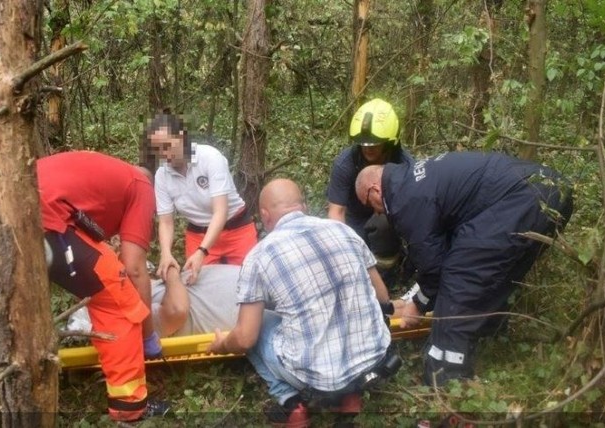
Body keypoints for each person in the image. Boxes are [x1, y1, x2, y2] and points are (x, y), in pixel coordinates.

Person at [355, 151, 573, 386]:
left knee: (459, 279)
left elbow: (434, 267)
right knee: (496, 274)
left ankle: (446, 377)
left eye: (371, 205)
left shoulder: (405, 199)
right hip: (553, 190)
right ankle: (490, 333)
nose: (377, 212)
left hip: (519, 198)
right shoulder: (412, 178)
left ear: (375, 189)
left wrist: (417, 306)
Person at [208, 178, 394, 427]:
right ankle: (349, 397)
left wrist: (222, 344)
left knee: (256, 321)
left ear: (265, 215)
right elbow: (381, 296)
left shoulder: (260, 256)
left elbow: (244, 338)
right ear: (303, 206)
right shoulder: (344, 230)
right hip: (375, 358)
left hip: (318, 378)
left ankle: (290, 403)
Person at [36, 150, 170, 421]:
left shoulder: (104, 176)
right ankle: (129, 408)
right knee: (118, 302)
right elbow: (134, 268)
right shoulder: (141, 186)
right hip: (42, 218)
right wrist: (146, 335)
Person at [143, 113, 257, 285]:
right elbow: (166, 221)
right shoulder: (162, 175)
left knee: (250, 282)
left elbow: (221, 211)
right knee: (198, 285)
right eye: (158, 149)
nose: (164, 154)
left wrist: (202, 251)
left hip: (236, 229)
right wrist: (165, 253)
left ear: (181, 137)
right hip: (198, 232)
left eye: (167, 145)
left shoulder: (210, 157)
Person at [326, 98, 413, 289]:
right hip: (354, 222)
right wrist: (343, 247)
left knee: (383, 226)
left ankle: (387, 278)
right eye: (363, 144)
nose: (368, 148)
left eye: (374, 144)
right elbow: (336, 212)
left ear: (389, 142)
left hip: (388, 221)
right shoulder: (346, 163)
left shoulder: (404, 164)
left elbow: (412, 208)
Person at [151, 264, 240, 337]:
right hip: (242, 313)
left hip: (244, 282)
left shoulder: (149, 290)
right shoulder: (142, 310)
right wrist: (171, 270)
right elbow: (177, 310)